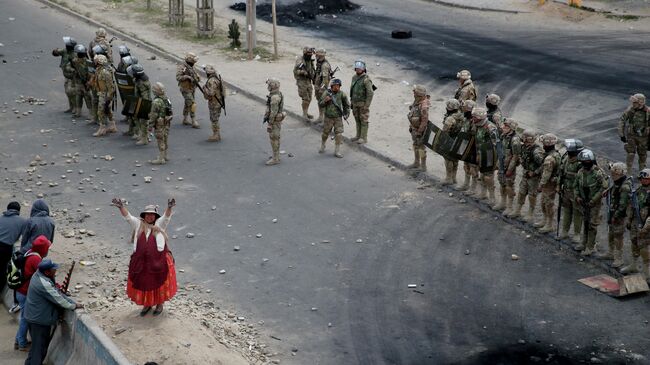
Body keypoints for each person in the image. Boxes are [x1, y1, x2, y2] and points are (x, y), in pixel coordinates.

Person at [112, 198, 177, 316]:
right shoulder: (138, 224)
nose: (150, 217)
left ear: (155, 216)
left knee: (159, 282)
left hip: (159, 261)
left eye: (152, 215)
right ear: (144, 215)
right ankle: (147, 305)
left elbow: (166, 217)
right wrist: (121, 207)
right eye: (148, 214)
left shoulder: (159, 224)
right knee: (144, 282)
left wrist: (170, 207)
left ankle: (159, 304)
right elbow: (128, 217)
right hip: (142, 262)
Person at [23, 259, 82, 365]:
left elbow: (57, 292)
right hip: (39, 321)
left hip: (34, 318)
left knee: (36, 349)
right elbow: (58, 298)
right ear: (47, 272)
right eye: (53, 269)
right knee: (39, 351)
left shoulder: (38, 275)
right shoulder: (43, 283)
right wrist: (73, 305)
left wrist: (71, 301)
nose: (55, 271)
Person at [15, 235, 50, 352]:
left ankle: (18, 340)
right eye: (47, 248)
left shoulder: (30, 252)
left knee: (24, 317)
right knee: (25, 319)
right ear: (43, 249)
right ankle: (22, 344)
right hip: (25, 293)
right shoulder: (36, 259)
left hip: (20, 291)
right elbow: (44, 276)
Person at [574, 149, 608, 256]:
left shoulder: (598, 173)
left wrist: (594, 200)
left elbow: (604, 187)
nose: (585, 164)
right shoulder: (580, 172)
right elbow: (575, 185)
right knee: (585, 222)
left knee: (592, 225)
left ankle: (591, 246)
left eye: (587, 161)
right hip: (583, 202)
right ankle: (583, 243)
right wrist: (577, 197)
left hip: (594, 203)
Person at [508, 130, 544, 221]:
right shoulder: (524, 147)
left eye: (525, 137)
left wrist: (535, 172)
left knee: (532, 195)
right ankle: (518, 210)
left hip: (534, 177)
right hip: (526, 173)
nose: (523, 138)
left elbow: (544, 165)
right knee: (521, 192)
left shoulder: (537, 151)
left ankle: (530, 213)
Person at [600, 162, 630, 268]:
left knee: (618, 236)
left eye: (614, 173)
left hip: (619, 215)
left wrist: (615, 216)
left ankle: (618, 258)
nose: (612, 175)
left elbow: (623, 205)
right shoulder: (618, 182)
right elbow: (614, 187)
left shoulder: (625, 186)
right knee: (611, 233)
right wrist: (608, 191)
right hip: (613, 210)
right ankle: (610, 252)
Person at [558, 139, 585, 243]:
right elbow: (561, 173)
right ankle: (564, 231)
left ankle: (577, 234)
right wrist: (558, 186)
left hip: (576, 192)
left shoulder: (581, 163)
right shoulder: (565, 159)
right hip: (566, 190)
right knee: (567, 211)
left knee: (577, 213)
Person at [472, 107, 499, 204]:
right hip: (480, 153)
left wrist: (497, 161)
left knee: (488, 176)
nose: (473, 119)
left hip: (489, 155)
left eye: (474, 117)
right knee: (482, 174)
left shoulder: (491, 127)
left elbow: (496, 144)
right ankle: (483, 193)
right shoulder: (477, 125)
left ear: (480, 118)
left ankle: (492, 196)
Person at [618, 93, 650, 174]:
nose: (633, 104)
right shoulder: (630, 110)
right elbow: (622, 120)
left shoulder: (648, 112)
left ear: (640, 102)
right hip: (632, 136)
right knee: (630, 153)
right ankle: (628, 174)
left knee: (642, 156)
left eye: (635, 102)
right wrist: (621, 134)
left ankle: (642, 173)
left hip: (643, 137)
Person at [535, 133, 561, 233]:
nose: (542, 145)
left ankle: (549, 224)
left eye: (543, 144)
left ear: (547, 145)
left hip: (549, 184)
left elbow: (546, 174)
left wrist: (540, 185)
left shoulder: (549, 158)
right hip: (549, 184)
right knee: (543, 203)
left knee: (548, 204)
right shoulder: (555, 153)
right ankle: (544, 220)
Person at [319, 79, 350, 158]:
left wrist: (347, 114)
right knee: (325, 133)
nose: (336, 88)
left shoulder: (342, 94)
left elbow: (347, 105)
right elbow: (320, 104)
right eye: (335, 86)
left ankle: (337, 150)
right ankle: (323, 145)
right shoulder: (326, 93)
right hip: (328, 117)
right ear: (332, 86)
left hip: (338, 118)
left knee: (339, 134)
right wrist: (325, 101)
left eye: (338, 86)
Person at [0, 202, 27, 292]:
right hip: (6, 248)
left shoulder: (1, 218)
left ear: (7, 209)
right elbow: (24, 238)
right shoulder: (22, 221)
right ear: (18, 211)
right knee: (3, 270)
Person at [496, 119, 521, 213]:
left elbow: (515, 157)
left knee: (509, 186)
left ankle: (509, 206)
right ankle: (502, 202)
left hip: (509, 167)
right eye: (504, 126)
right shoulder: (503, 136)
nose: (503, 128)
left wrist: (510, 170)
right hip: (502, 164)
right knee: (502, 183)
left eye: (506, 127)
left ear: (511, 128)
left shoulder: (515, 140)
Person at [630, 169, 650, 278]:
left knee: (644, 246)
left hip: (646, 223)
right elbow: (632, 206)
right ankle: (634, 264)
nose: (643, 180)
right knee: (634, 241)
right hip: (635, 221)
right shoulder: (638, 190)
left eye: (646, 179)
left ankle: (647, 272)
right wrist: (629, 220)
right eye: (642, 178)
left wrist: (646, 226)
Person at [92, 54, 118, 137]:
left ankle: (102, 128)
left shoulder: (105, 72)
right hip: (101, 92)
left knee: (101, 111)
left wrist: (109, 98)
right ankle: (112, 125)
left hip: (105, 94)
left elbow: (111, 86)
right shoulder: (99, 69)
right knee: (108, 110)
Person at [349, 60, 374, 144]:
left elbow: (370, 93)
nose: (358, 70)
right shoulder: (354, 77)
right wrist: (351, 101)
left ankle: (363, 138)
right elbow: (352, 90)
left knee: (363, 120)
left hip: (363, 104)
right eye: (357, 68)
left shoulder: (366, 80)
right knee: (357, 119)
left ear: (363, 69)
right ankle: (358, 135)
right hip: (355, 103)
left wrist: (367, 105)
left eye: (360, 68)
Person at [148, 82, 173, 165]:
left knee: (160, 140)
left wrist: (150, 125)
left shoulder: (156, 102)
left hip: (159, 124)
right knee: (165, 138)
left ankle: (161, 158)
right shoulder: (166, 99)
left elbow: (153, 115)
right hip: (167, 122)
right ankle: (165, 155)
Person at [406, 85, 430, 172]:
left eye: (415, 92)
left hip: (419, 130)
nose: (413, 93)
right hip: (414, 128)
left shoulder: (423, 106)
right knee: (415, 145)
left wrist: (420, 132)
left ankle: (423, 166)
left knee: (421, 148)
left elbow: (424, 120)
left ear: (419, 94)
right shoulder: (417, 101)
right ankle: (416, 162)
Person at [441, 99, 464, 185]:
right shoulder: (461, 116)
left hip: (450, 139)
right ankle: (454, 178)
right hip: (459, 140)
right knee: (455, 159)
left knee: (448, 159)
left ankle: (448, 178)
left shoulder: (450, 119)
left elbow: (445, 131)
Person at [128, 64, 152, 145]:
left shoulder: (141, 83)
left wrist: (142, 107)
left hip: (144, 103)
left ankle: (144, 138)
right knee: (135, 117)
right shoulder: (140, 80)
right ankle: (140, 134)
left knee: (144, 122)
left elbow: (145, 96)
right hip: (139, 101)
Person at [52, 36, 77, 113]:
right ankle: (71, 107)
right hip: (66, 76)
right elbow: (55, 53)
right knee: (67, 92)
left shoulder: (75, 55)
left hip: (73, 77)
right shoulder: (65, 51)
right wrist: (55, 51)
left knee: (71, 92)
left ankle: (76, 108)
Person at [264, 78, 285, 166]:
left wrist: (270, 124)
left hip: (274, 121)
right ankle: (276, 156)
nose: (268, 86)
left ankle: (275, 158)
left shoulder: (274, 98)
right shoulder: (277, 94)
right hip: (277, 120)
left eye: (269, 85)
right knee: (276, 138)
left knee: (274, 139)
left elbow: (273, 112)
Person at [176, 52, 200, 128]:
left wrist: (197, 78)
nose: (194, 62)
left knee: (187, 103)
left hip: (192, 88)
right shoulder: (182, 67)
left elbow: (195, 74)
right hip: (185, 88)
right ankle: (193, 120)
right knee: (192, 104)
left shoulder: (192, 66)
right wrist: (186, 77)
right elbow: (178, 77)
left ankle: (185, 119)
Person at [202, 65, 226, 142]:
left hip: (215, 103)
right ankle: (217, 134)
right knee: (215, 118)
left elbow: (211, 93)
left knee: (214, 119)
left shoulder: (212, 81)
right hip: (218, 102)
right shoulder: (217, 78)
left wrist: (205, 89)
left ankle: (216, 135)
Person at [459, 100, 478, 192]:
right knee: (466, 166)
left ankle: (473, 188)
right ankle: (466, 184)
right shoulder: (466, 119)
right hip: (466, 147)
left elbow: (474, 136)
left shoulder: (474, 122)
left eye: (465, 108)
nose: (463, 109)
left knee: (473, 169)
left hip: (473, 149)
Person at [293, 46, 315, 121]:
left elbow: (312, 70)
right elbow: (295, 71)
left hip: (308, 81)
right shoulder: (300, 60)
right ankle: (304, 114)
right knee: (305, 98)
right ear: (305, 53)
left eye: (311, 53)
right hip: (301, 81)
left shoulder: (310, 61)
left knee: (310, 97)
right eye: (308, 53)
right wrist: (302, 72)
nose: (310, 54)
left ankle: (306, 112)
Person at [71, 44, 92, 119]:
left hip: (84, 82)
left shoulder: (80, 61)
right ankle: (79, 112)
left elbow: (89, 73)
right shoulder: (80, 61)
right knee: (79, 97)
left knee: (87, 98)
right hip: (79, 82)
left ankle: (90, 114)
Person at [313, 49, 332, 124]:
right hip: (318, 86)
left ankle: (325, 120)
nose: (316, 56)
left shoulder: (324, 65)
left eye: (317, 54)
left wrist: (322, 88)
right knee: (319, 102)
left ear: (320, 55)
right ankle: (321, 117)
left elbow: (325, 79)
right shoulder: (319, 62)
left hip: (322, 88)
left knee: (324, 103)